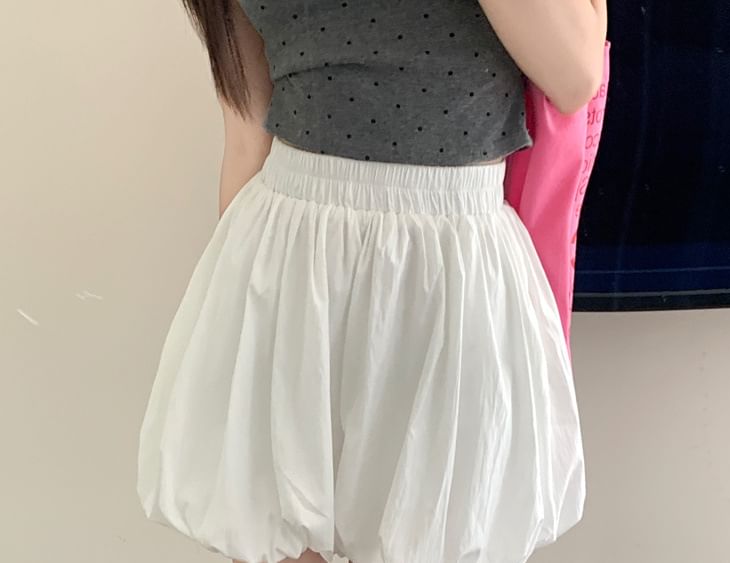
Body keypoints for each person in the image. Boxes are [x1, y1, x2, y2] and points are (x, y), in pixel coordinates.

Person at [136, 1, 608, 563]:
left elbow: (574, 74)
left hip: (450, 262)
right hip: (287, 251)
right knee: (277, 534)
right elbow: (246, 132)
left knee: (432, 532)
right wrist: (234, 322)